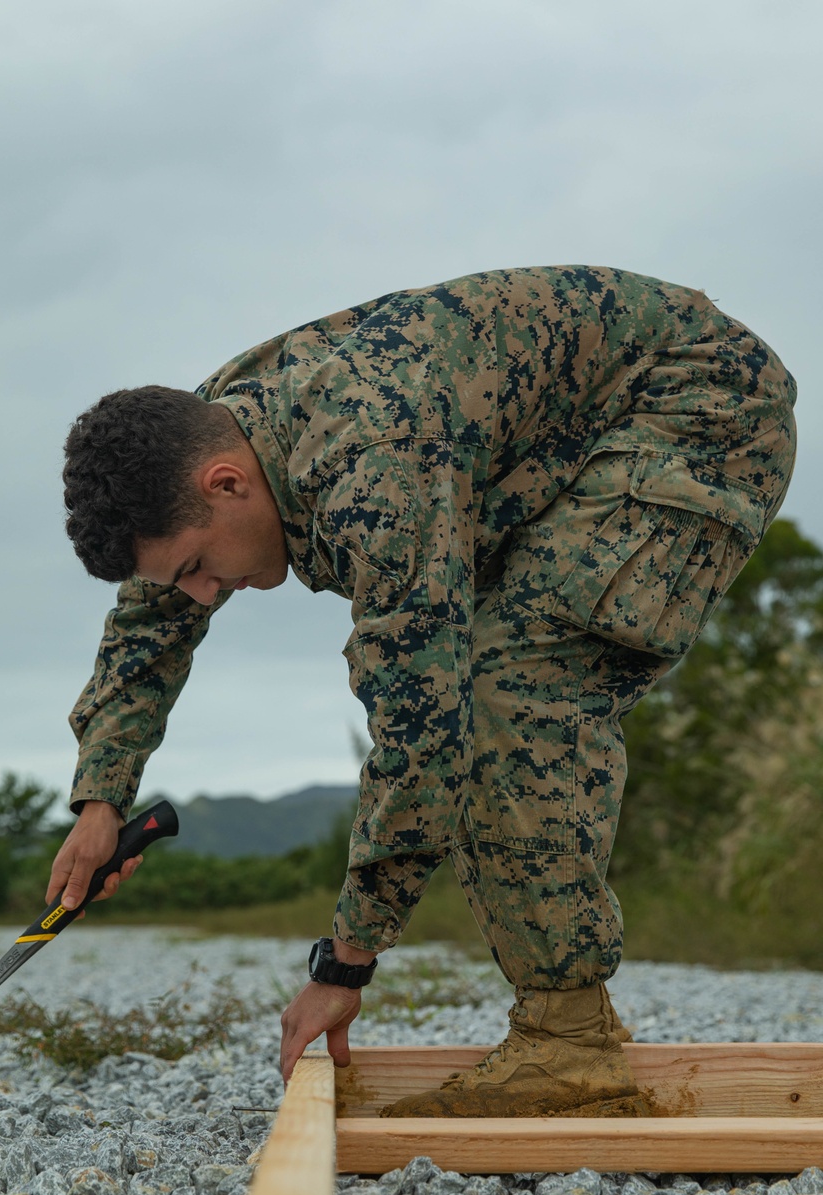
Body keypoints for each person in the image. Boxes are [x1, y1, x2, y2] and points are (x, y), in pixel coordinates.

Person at [47, 266, 796, 1118]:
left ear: (228, 484)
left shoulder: (373, 465)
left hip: (699, 411)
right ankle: (568, 1031)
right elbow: (149, 620)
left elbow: (422, 730)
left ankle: (567, 1045)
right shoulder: (206, 429)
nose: (204, 594)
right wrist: (102, 797)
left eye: (196, 567)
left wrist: (347, 959)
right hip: (576, 440)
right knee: (486, 674)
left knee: (508, 689)